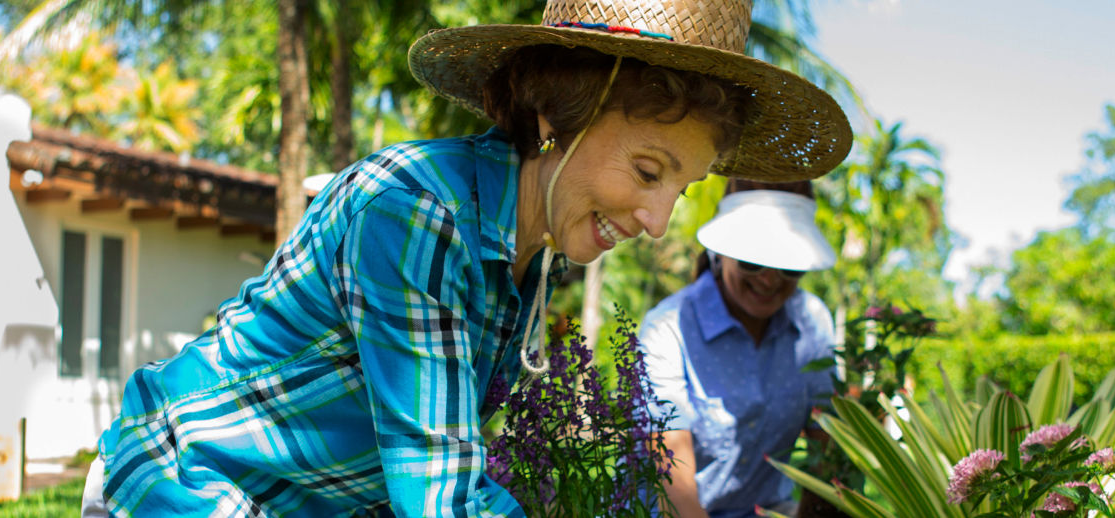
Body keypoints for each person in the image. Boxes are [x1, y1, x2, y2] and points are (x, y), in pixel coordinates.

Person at [82, 0, 852, 515]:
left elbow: (442, 468)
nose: (656, 221)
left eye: (681, 190)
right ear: (556, 114)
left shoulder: (525, 254)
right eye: (649, 172)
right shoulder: (419, 209)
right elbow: (441, 501)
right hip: (188, 486)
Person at [639, 179, 839, 518]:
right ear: (721, 252)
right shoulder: (668, 328)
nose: (770, 279)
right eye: (752, 262)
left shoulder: (811, 321)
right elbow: (675, 489)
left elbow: (828, 442)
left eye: (789, 266)